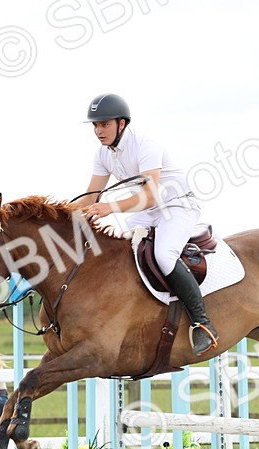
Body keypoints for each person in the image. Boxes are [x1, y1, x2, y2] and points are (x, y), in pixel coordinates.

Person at [80, 92, 218, 356]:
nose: (99, 130)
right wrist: (56, 216)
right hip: (148, 211)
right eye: (96, 125)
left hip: (176, 206)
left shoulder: (146, 145)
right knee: (114, 251)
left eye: (105, 124)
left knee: (164, 256)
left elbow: (150, 195)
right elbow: (90, 196)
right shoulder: (103, 154)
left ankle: (203, 322)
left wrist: (110, 208)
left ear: (122, 124)